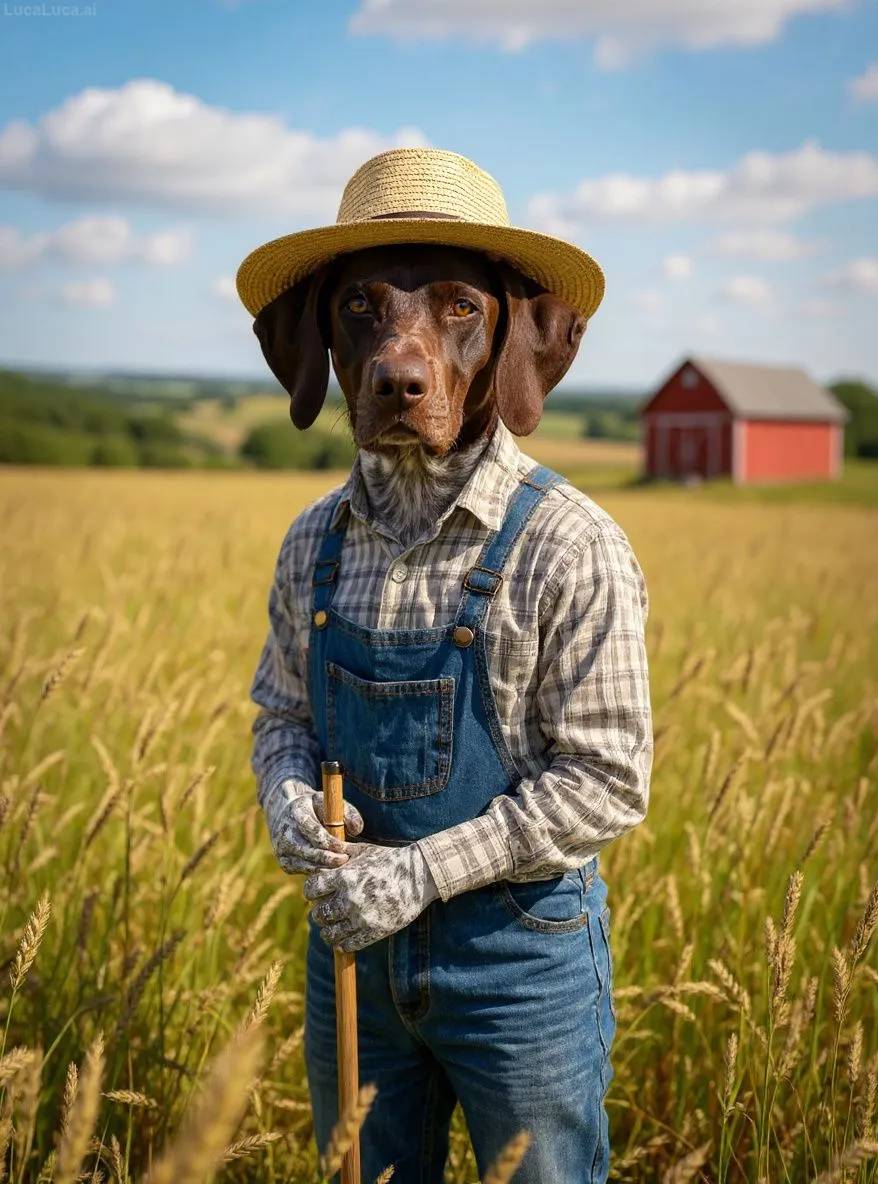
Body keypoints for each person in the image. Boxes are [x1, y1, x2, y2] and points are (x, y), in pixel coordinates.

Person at [239, 147, 652, 1183]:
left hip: (518, 970)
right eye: (364, 313)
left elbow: (607, 780)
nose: (402, 356)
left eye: (454, 311)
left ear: (519, 345)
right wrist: (285, 792)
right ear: (320, 349)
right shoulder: (311, 543)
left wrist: (415, 873)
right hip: (355, 968)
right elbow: (283, 713)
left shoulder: (570, 544)